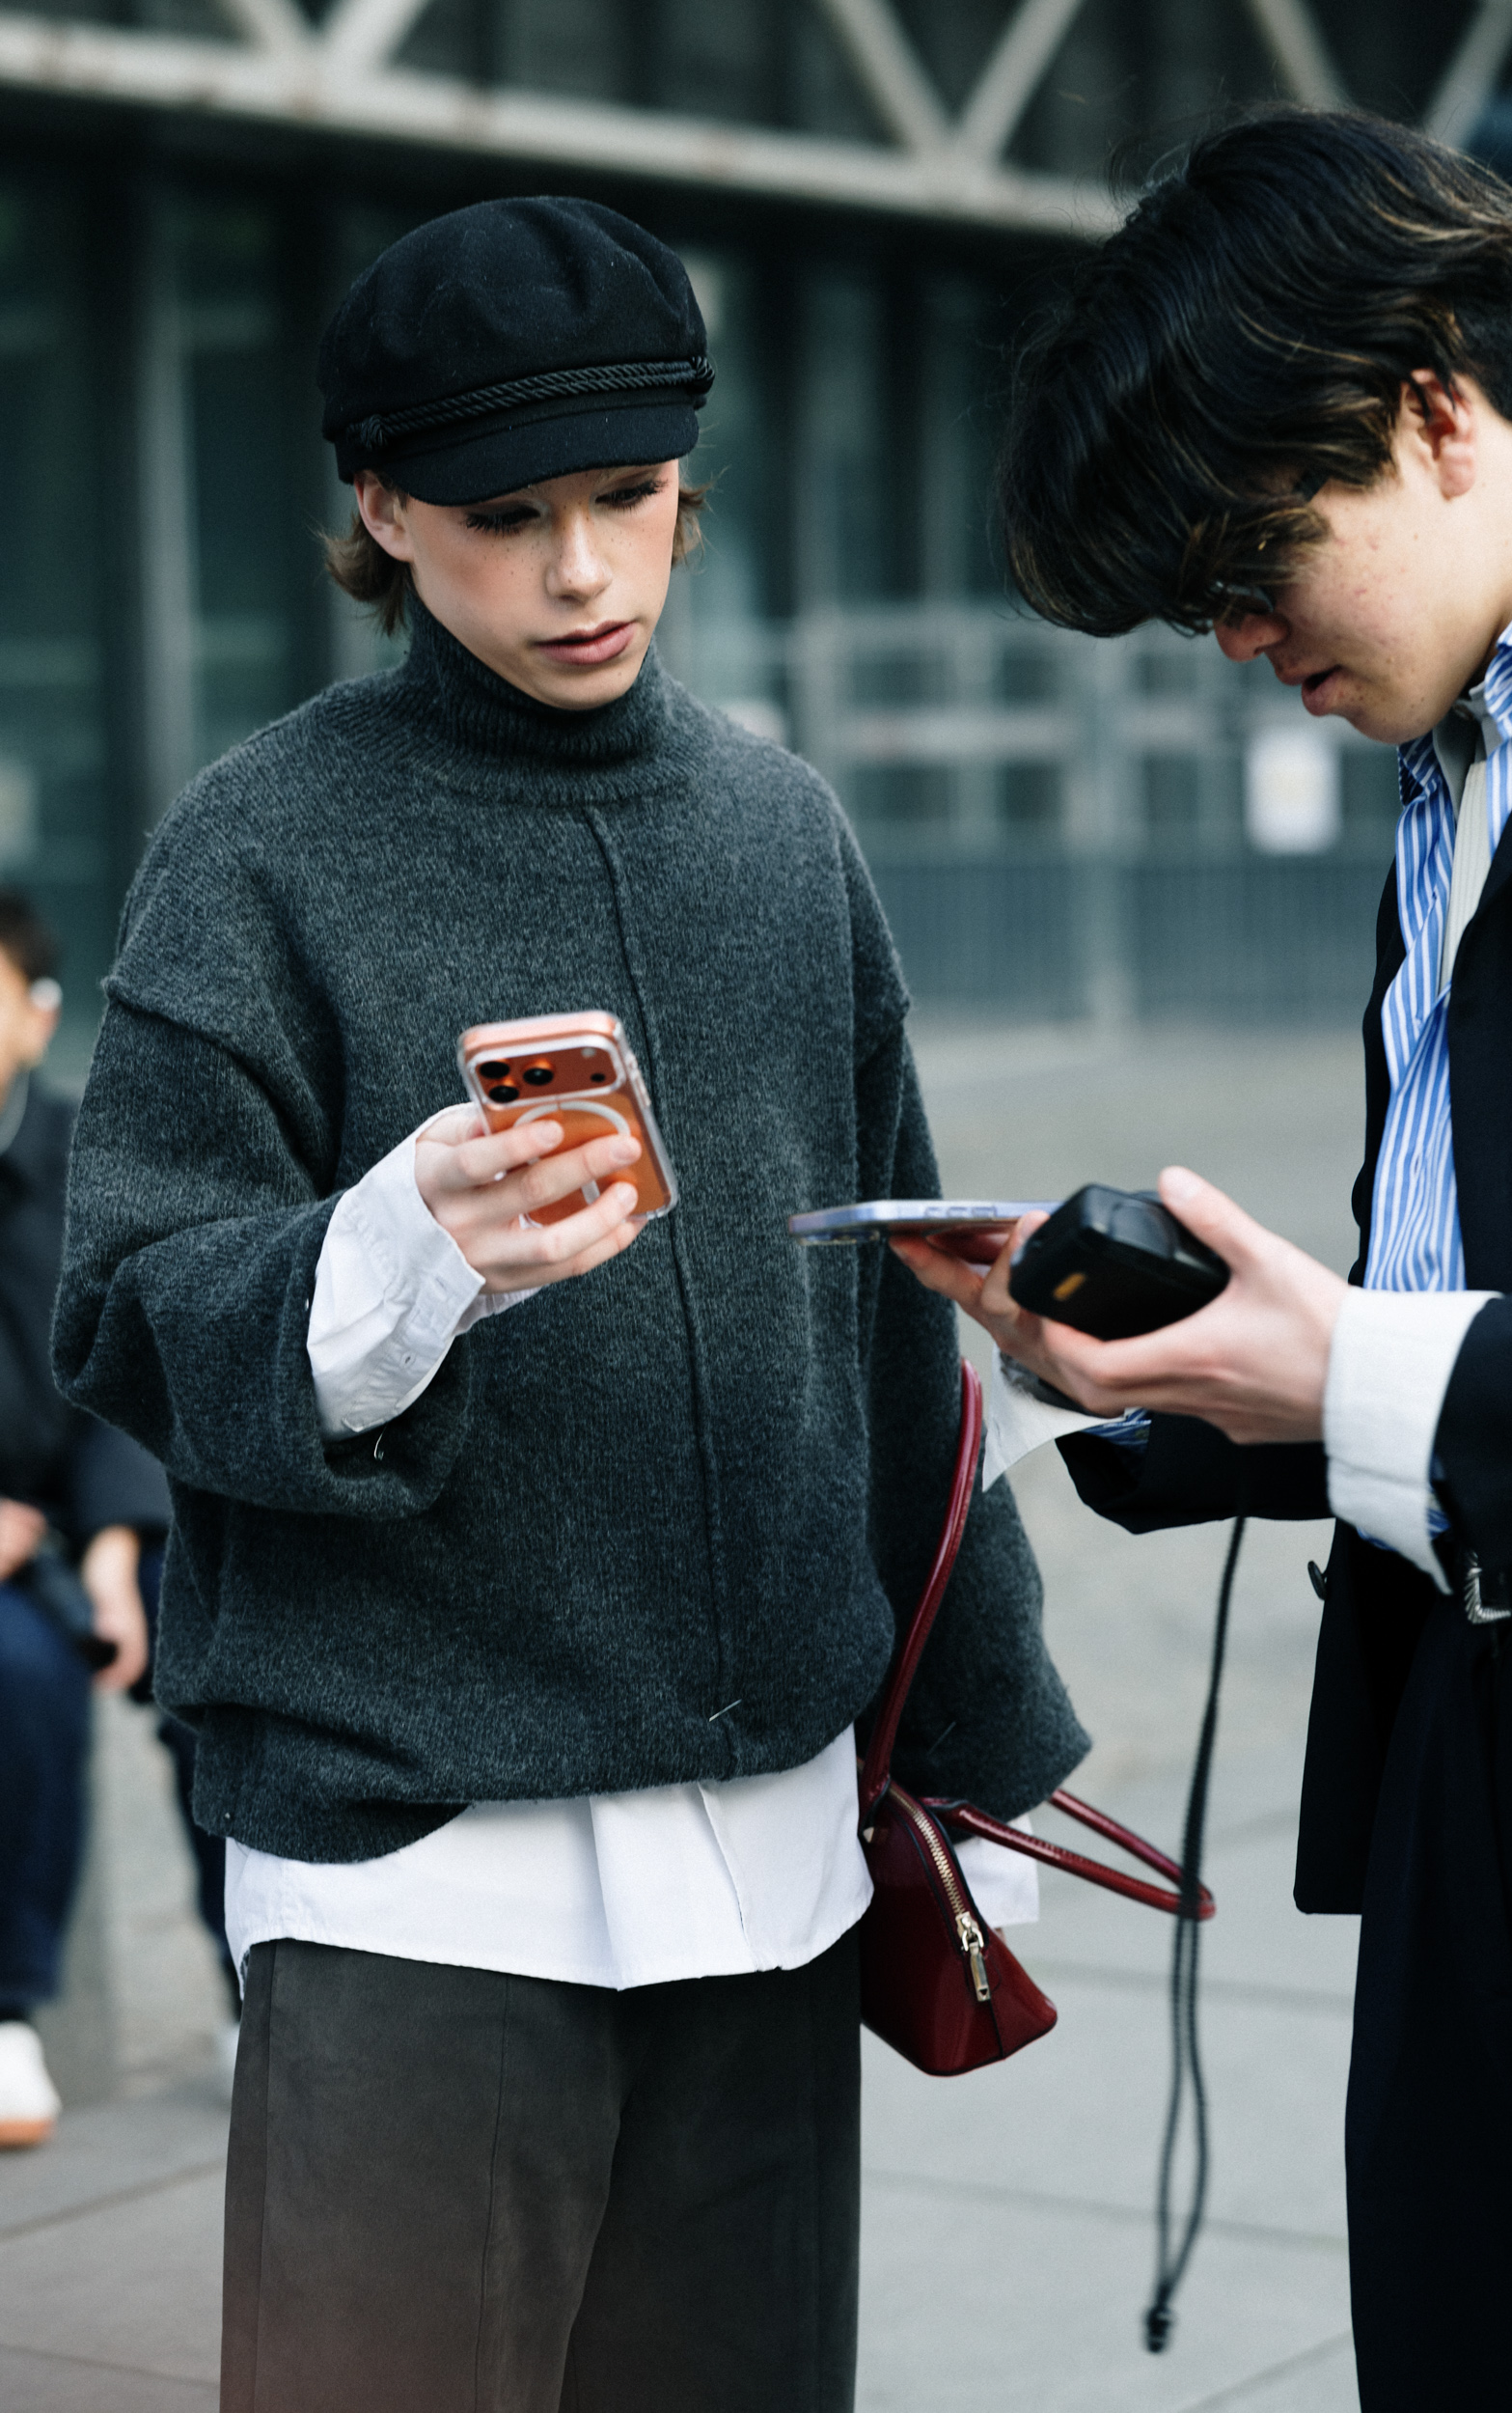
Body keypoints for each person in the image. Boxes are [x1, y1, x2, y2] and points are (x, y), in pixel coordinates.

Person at [52, 197, 1085, 2413]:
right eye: (508, 516)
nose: (585, 570)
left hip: (778, 1863)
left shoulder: (784, 832)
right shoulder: (256, 843)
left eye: (628, 496)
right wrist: (395, 1248)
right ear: (382, 507)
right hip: (416, 1876)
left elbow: (891, 1330)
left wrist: (985, 1738)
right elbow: (128, 1309)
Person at [893, 108, 1512, 2409]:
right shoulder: (1457, 762)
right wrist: (1183, 1372)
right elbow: (1483, 1304)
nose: (1231, 635)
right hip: (1465, 1763)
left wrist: (1366, 1374)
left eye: (1246, 556)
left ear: (1430, 403)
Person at [0, 888, 169, 2147]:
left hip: (90, 1513)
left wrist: (113, 1552)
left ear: (36, 1015)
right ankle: (10, 2011)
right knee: (21, 1678)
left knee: (220, 1634)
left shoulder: (86, 1152)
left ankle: (259, 1988)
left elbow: (129, 1356)